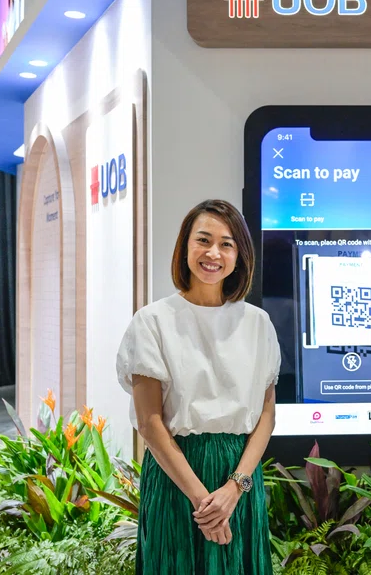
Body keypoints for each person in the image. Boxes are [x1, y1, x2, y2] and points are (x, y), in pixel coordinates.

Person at [116, 200, 279, 573]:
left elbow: (267, 415)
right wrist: (204, 501)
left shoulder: (257, 323)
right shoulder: (152, 321)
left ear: (240, 256)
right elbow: (150, 422)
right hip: (177, 473)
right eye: (202, 240)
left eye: (226, 244)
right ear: (185, 247)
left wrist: (234, 489)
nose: (213, 253)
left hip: (238, 476)